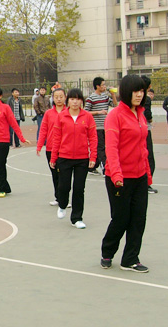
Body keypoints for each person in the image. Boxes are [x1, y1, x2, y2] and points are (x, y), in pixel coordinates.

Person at [100, 75, 151, 273]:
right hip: (118, 178)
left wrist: (147, 172)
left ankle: (130, 259)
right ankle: (107, 251)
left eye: (142, 91)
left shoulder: (141, 114)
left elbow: (142, 146)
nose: (139, 95)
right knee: (121, 218)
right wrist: (117, 175)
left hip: (139, 176)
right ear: (126, 92)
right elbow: (111, 148)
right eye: (135, 91)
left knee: (139, 219)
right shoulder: (115, 115)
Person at [49, 88, 97, 229]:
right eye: (72, 99)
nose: (75, 102)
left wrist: (92, 156)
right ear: (67, 100)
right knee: (64, 186)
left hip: (82, 159)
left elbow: (93, 138)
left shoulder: (87, 117)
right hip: (64, 157)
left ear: (81, 101)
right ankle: (62, 205)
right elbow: (56, 138)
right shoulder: (61, 116)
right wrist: (54, 157)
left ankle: (77, 218)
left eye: (77, 99)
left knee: (79, 188)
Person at [36, 88, 68, 207]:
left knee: (64, 175)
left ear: (65, 97)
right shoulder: (49, 113)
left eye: (61, 96)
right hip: (50, 148)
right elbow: (43, 130)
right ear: (53, 98)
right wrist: (39, 145)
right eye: (56, 97)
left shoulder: (69, 112)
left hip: (65, 149)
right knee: (55, 174)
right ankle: (58, 197)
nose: (59, 99)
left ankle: (65, 198)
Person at [85, 77, 118, 175]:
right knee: (100, 147)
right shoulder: (91, 98)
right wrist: (99, 112)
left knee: (105, 147)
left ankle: (92, 166)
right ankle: (105, 168)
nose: (105, 86)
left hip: (106, 126)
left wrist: (113, 94)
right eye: (103, 85)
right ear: (97, 86)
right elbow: (85, 112)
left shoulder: (105, 97)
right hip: (96, 126)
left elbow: (115, 105)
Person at [141, 77, 157, 194]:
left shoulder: (131, 97)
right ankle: (146, 183)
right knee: (148, 156)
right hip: (144, 129)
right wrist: (150, 121)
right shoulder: (146, 98)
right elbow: (147, 113)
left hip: (136, 129)